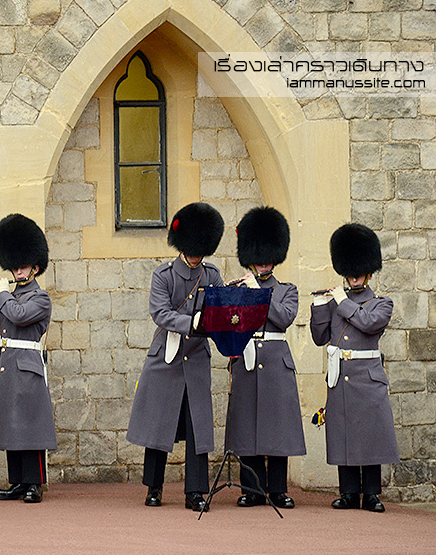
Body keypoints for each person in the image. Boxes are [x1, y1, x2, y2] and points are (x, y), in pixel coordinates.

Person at [126, 202, 224, 511]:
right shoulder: (164, 275)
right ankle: (153, 487)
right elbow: (160, 313)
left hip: (196, 357)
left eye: (200, 252)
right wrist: (192, 322)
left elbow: (219, 311)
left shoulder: (211, 275)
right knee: (158, 424)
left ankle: (195, 491)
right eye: (192, 251)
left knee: (198, 426)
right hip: (165, 358)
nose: (195, 257)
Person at [310, 223, 398, 513]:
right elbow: (320, 337)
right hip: (341, 377)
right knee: (343, 433)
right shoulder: (336, 303)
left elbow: (368, 323)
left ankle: (371, 494)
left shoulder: (381, 303)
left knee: (370, 435)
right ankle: (348, 493)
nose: (354, 276)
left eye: (358, 271)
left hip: (368, 377)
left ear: (369, 272)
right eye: (349, 271)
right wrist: (319, 305)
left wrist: (341, 301)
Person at [227, 206, 305, 509]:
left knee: (277, 429)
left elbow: (283, 318)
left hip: (275, 363)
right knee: (247, 427)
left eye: (268, 257)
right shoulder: (238, 289)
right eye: (258, 257)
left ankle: (278, 490)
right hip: (246, 362)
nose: (263, 262)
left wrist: (258, 292)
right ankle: (252, 489)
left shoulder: (286, 290)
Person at [0, 214, 56, 504]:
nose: (18, 270)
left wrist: (1, 295)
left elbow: (19, 315)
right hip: (7, 365)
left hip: (27, 366)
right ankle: (18, 482)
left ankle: (34, 483)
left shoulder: (40, 298)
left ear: (35, 268)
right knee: (12, 425)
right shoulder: (8, 295)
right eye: (15, 266)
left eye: (23, 266)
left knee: (31, 426)